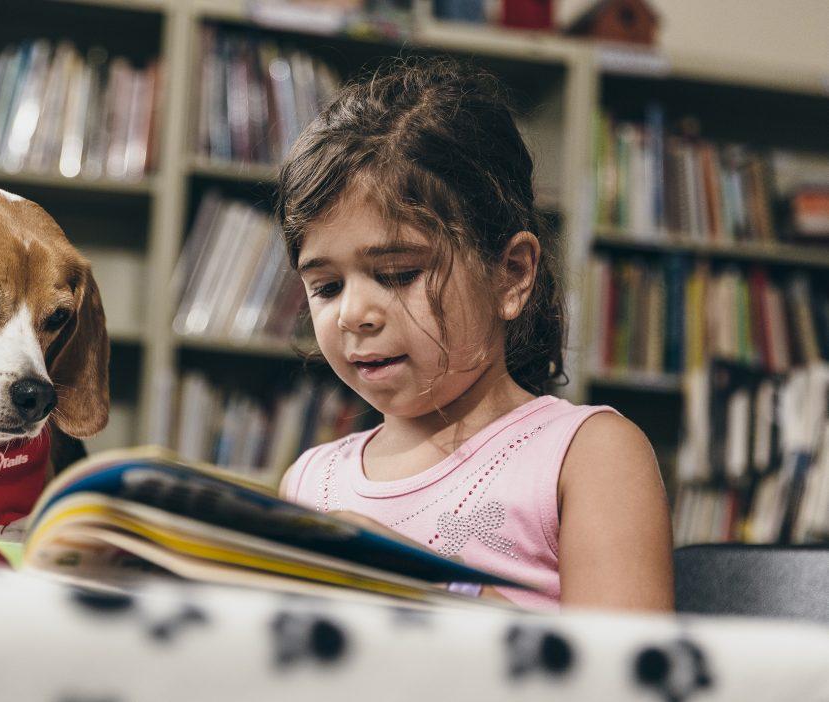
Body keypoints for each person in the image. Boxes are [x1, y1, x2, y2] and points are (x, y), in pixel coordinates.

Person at [275, 57, 673, 612]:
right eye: (326, 286)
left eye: (398, 274)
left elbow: (630, 678)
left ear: (511, 274)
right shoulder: (309, 481)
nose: (353, 314)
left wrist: (427, 585)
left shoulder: (586, 454)